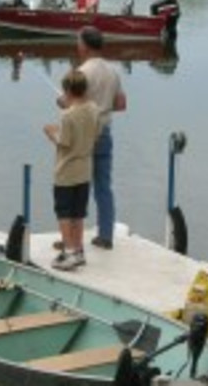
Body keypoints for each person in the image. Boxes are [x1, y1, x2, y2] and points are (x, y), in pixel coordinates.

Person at [56, 26, 126, 250]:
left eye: (78, 42)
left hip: (82, 137)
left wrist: (63, 102)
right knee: (103, 186)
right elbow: (121, 104)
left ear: (84, 46)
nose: (77, 45)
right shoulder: (114, 71)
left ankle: (71, 241)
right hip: (104, 132)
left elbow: (73, 105)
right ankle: (106, 236)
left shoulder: (83, 73)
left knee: (75, 185)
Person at [43, 70, 100, 271]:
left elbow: (64, 142)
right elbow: (92, 131)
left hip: (66, 172)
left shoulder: (67, 116)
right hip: (84, 170)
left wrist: (51, 133)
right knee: (78, 213)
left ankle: (68, 253)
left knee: (64, 213)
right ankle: (78, 250)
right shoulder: (94, 108)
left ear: (68, 90)